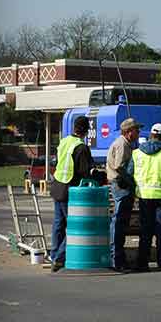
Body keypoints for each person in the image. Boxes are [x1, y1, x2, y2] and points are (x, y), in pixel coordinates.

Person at [129, 123, 161, 271]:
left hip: (144, 197)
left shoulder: (137, 153)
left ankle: (142, 263)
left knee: (145, 230)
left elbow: (129, 172)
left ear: (151, 135)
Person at [48, 116, 97, 272]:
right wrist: (98, 176)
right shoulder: (81, 147)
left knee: (58, 224)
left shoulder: (65, 141)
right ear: (86, 131)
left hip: (57, 185)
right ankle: (59, 258)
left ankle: (54, 254)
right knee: (75, 227)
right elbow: (85, 172)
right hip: (70, 189)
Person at [107, 118, 141, 272]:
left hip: (120, 184)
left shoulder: (125, 143)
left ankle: (118, 258)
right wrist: (131, 182)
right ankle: (117, 260)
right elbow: (120, 166)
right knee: (119, 222)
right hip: (120, 185)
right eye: (136, 130)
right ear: (128, 132)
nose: (138, 133)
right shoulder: (123, 144)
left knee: (121, 222)